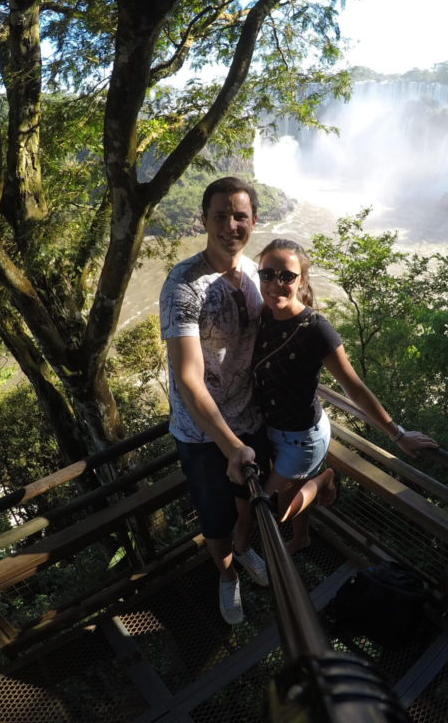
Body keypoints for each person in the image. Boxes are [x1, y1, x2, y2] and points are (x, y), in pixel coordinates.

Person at [233, 238, 437, 553]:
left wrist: (397, 434)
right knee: (290, 494)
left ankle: (324, 478)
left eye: (286, 276)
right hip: (270, 428)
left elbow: (353, 386)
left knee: (276, 508)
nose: (275, 284)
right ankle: (303, 539)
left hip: (303, 438)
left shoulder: (316, 329)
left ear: (301, 281)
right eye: (267, 275)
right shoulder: (264, 316)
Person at [159, 176, 270, 626]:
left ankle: (243, 553)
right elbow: (188, 378)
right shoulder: (183, 285)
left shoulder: (257, 279)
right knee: (216, 517)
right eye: (220, 216)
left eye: (239, 216)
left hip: (250, 418)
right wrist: (230, 446)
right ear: (203, 219)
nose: (230, 225)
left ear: (253, 222)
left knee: (248, 502)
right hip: (204, 434)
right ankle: (227, 578)